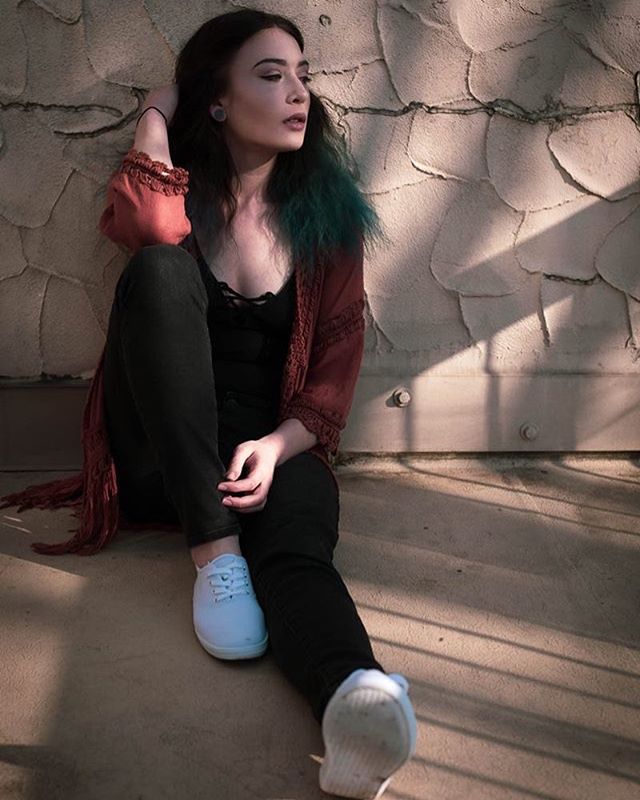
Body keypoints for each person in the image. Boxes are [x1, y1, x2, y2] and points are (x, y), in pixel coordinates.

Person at [0, 10, 417, 798]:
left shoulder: (326, 222)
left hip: (266, 451)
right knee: (158, 271)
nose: (297, 93)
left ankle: (356, 707)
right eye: (270, 75)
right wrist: (158, 112)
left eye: (302, 75)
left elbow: (333, 374)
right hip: (161, 461)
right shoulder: (183, 198)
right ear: (218, 102)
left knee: (297, 552)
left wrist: (281, 445)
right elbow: (150, 225)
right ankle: (216, 559)